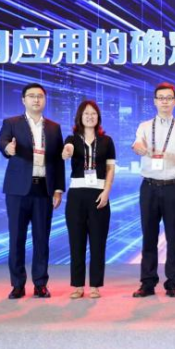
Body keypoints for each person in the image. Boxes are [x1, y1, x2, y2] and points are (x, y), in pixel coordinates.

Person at [0, 82, 65, 299]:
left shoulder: (54, 127)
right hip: (17, 190)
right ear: (23, 100)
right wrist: (8, 148)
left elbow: (58, 161)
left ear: (45, 100)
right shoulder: (11, 123)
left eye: (40, 96)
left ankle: (40, 284)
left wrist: (58, 190)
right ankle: (17, 285)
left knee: (42, 239)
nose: (36, 100)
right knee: (16, 239)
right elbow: (2, 142)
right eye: (32, 96)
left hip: (43, 189)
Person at [131, 82, 175, 298]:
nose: (165, 101)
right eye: (161, 98)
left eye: (169, 98)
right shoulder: (144, 126)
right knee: (148, 236)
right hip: (149, 186)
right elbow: (136, 144)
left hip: (173, 187)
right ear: (155, 101)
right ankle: (147, 283)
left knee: (174, 238)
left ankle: (173, 284)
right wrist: (139, 148)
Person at [61, 100, 115, 299]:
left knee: (98, 242)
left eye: (93, 113)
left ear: (98, 117)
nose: (90, 116)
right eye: (86, 114)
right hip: (77, 195)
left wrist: (106, 191)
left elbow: (110, 169)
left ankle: (95, 285)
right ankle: (77, 285)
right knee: (76, 241)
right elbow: (66, 151)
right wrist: (66, 151)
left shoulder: (107, 141)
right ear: (80, 117)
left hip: (99, 194)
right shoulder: (72, 139)